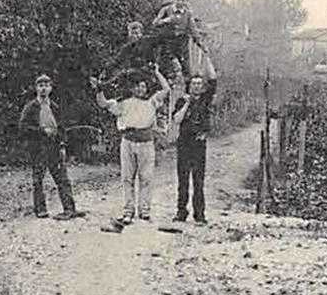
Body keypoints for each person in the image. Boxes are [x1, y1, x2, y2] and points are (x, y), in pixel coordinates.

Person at [92, 63, 172, 228]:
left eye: (143, 86)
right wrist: (99, 89)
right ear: (133, 88)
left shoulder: (152, 102)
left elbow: (166, 90)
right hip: (128, 141)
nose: (141, 89)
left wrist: (157, 73)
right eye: (138, 86)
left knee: (146, 177)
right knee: (127, 178)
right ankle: (128, 210)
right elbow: (103, 104)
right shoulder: (124, 103)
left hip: (146, 142)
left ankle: (145, 210)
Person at [18, 74, 83, 220]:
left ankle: (70, 208)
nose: (43, 89)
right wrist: (41, 131)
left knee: (62, 178)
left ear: (50, 88)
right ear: (36, 88)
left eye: (46, 85)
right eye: (40, 85)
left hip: (54, 147)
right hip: (38, 148)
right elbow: (23, 127)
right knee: (38, 180)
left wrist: (62, 145)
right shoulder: (30, 107)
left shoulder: (54, 106)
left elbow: (61, 127)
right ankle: (40, 209)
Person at [172, 70, 218, 223]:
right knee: (183, 179)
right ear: (189, 86)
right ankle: (181, 211)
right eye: (194, 84)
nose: (197, 87)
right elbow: (177, 120)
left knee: (199, 180)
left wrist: (206, 56)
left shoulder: (205, 100)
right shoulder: (182, 100)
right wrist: (186, 104)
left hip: (199, 144)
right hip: (184, 143)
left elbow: (213, 80)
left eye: (199, 84)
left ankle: (199, 214)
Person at [151, 0, 208, 81]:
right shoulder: (166, 10)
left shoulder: (188, 13)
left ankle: (187, 91)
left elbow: (193, 29)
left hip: (182, 43)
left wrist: (201, 44)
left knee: (186, 69)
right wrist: (166, 20)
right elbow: (155, 23)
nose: (180, 2)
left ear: (186, 1)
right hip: (167, 42)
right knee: (165, 67)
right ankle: (165, 88)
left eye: (183, 0)